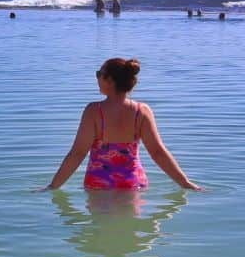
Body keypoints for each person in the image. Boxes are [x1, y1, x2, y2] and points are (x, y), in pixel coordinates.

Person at [44, 57, 201, 191]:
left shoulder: (93, 111)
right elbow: (158, 152)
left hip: (99, 183)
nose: (97, 78)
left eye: (99, 74)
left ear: (110, 80)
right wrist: (185, 183)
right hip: (133, 183)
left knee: (99, 227)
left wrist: (53, 186)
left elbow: (77, 153)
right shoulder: (142, 111)